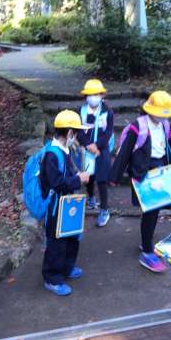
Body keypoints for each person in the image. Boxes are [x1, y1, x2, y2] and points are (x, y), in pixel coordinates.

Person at [110, 90, 171, 273]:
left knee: (154, 211)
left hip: (161, 171)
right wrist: (115, 177)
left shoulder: (165, 126)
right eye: (160, 113)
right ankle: (147, 251)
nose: (163, 117)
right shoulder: (138, 127)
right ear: (150, 110)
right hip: (144, 173)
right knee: (151, 211)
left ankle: (146, 242)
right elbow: (125, 152)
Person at [40, 110, 90, 296]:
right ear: (69, 133)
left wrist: (77, 176)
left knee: (71, 237)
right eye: (75, 133)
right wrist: (79, 179)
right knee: (56, 243)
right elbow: (57, 183)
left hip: (68, 203)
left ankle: (67, 267)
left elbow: (67, 175)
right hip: (55, 206)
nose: (76, 137)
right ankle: (52, 278)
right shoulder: (52, 154)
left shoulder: (65, 150)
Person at [77, 78, 114, 228]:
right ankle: (91, 198)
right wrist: (87, 144)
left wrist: (97, 145)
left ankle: (104, 209)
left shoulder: (107, 112)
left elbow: (108, 132)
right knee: (89, 177)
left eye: (96, 94)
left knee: (102, 178)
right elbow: (79, 131)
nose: (93, 97)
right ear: (86, 96)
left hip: (102, 150)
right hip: (86, 149)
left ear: (102, 95)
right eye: (90, 94)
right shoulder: (81, 111)